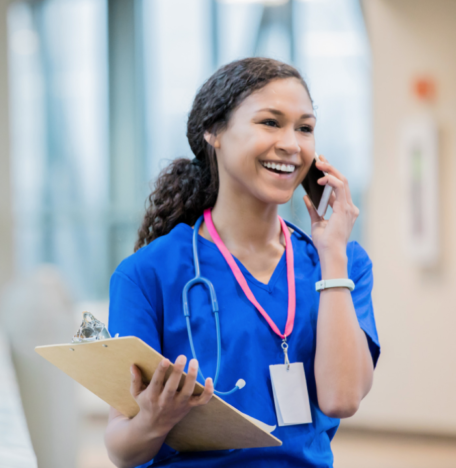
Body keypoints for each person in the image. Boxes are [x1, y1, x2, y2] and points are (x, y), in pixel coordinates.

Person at [104, 58, 380, 468]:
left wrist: (333, 254)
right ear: (213, 132)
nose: (292, 144)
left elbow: (342, 399)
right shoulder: (148, 275)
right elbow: (121, 450)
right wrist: (152, 420)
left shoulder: (340, 263)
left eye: (304, 128)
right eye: (270, 122)